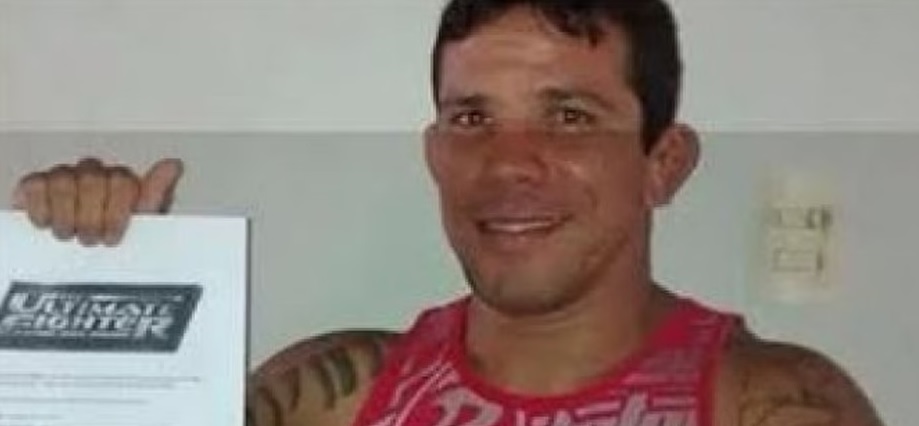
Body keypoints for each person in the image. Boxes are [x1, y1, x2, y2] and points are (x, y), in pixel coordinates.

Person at [11, 0, 883, 425]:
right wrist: (80, 282)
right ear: (433, 152)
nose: (506, 162)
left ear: (663, 162)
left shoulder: (765, 403)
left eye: (568, 116)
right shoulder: (330, 396)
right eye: (470, 119)